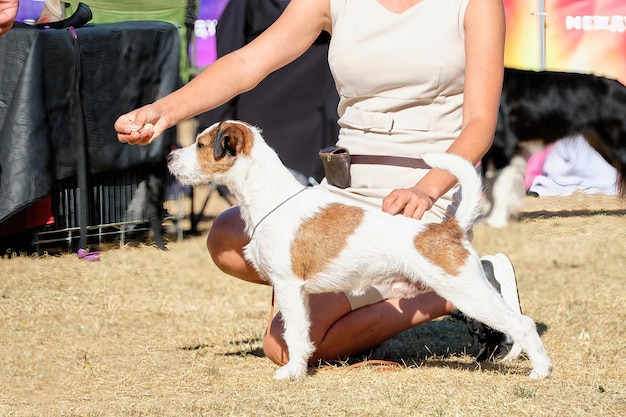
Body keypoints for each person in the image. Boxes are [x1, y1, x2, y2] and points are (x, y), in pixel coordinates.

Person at [115, 0, 521, 365]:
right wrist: (163, 112)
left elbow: (480, 124)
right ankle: (377, 313)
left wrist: (428, 187)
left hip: (422, 194)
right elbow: (246, 64)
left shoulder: (476, 4)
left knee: (283, 349)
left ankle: (453, 293)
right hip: (343, 191)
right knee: (226, 237)